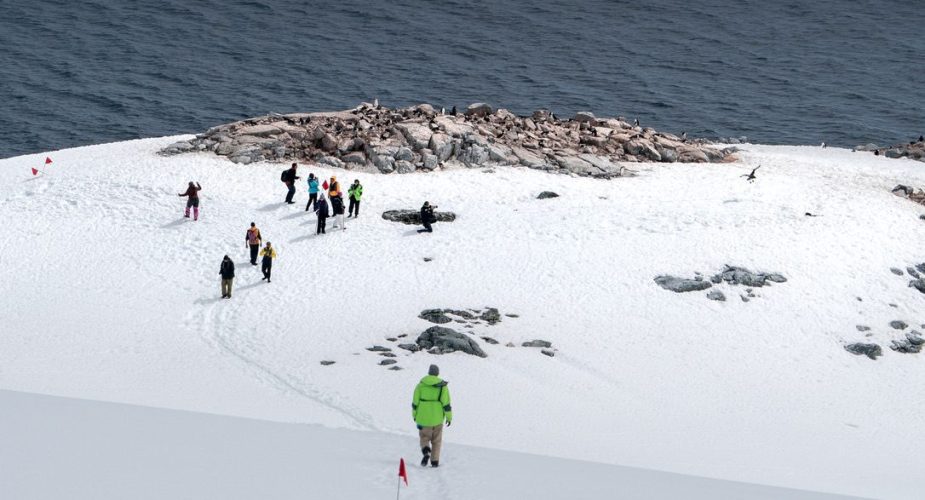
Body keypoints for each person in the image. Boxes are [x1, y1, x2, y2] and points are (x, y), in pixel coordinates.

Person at [413, 364, 452, 468]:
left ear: (429, 372)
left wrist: (414, 415)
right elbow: (446, 404)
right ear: (437, 373)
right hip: (437, 418)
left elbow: (415, 402)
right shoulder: (442, 386)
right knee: (436, 441)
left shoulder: (420, 385)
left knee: (424, 437)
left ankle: (426, 451)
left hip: (423, 417)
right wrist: (449, 417)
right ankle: (434, 462)